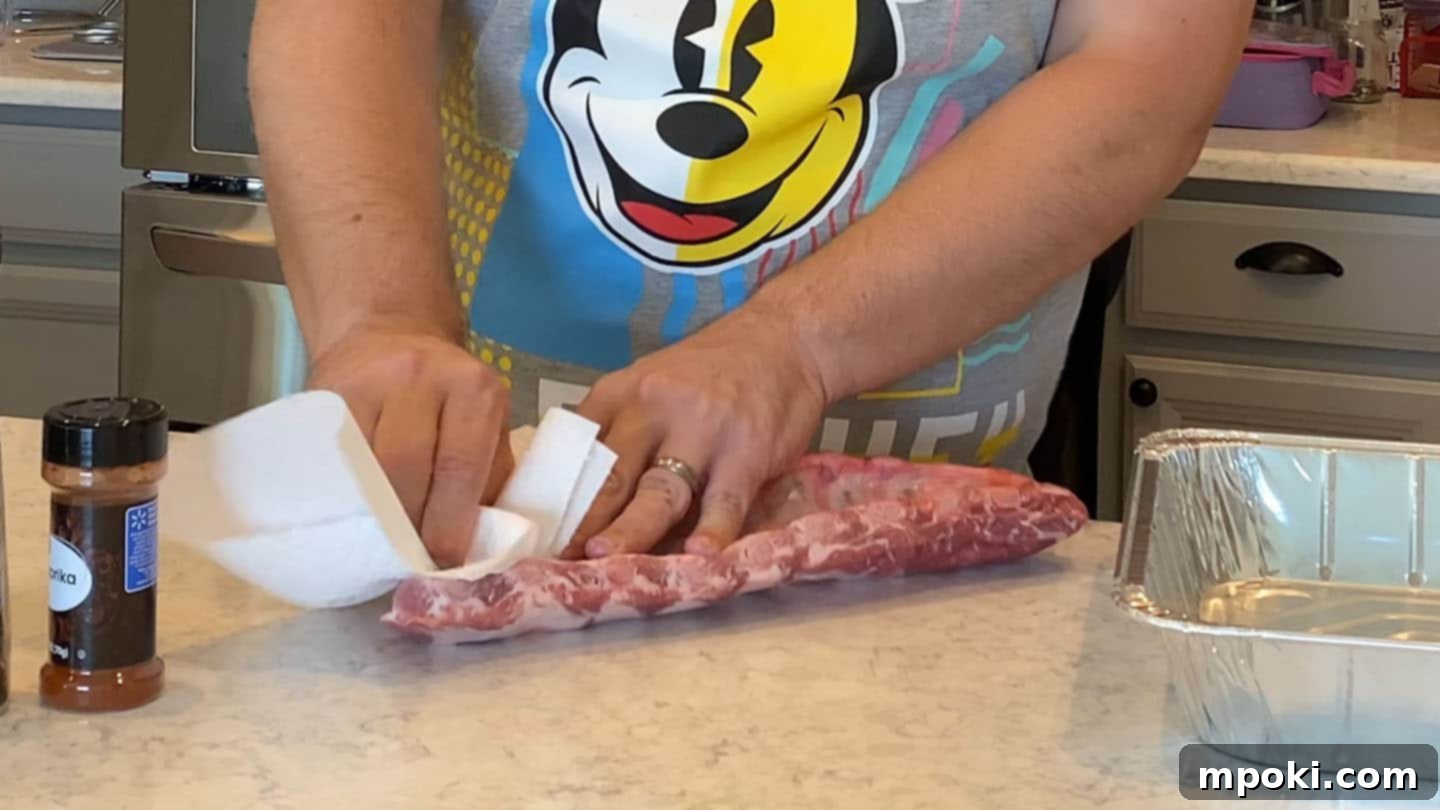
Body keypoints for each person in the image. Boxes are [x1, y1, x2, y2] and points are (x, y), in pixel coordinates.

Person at [250, 0, 1251, 568]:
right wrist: (383, 319)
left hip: (912, 553)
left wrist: (794, 344)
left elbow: (1143, 75)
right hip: (478, 528)